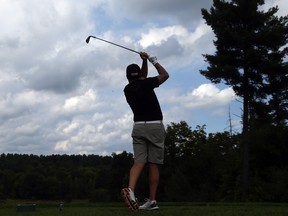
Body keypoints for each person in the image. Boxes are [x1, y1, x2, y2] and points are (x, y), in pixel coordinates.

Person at [121, 52, 169, 211]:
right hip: (155, 126)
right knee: (153, 164)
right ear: (140, 75)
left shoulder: (127, 89)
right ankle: (153, 201)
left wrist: (144, 62)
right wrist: (152, 60)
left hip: (139, 127)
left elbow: (141, 77)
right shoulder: (147, 83)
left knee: (139, 162)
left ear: (127, 77)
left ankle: (130, 190)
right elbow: (164, 75)